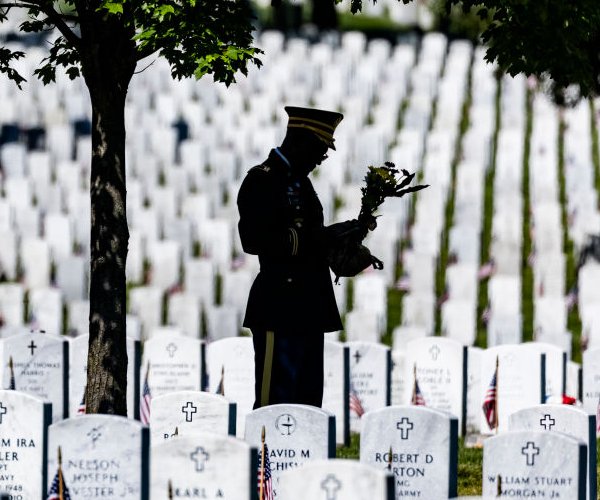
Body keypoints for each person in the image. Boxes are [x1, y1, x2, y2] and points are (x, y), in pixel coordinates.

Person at [237, 106, 373, 409]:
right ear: (300, 140)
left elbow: (312, 235)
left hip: (310, 302)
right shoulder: (263, 180)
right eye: (319, 150)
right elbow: (253, 239)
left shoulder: (300, 181)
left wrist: (343, 235)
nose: (320, 159)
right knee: (277, 401)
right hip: (279, 303)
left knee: (309, 401)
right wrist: (318, 239)